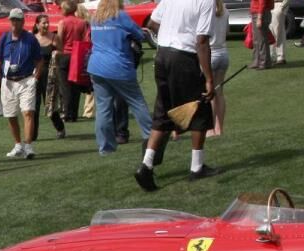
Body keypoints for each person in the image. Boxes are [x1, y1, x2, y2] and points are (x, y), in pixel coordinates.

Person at [134, 0, 216, 191]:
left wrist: (171, 32)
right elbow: (202, 41)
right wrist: (209, 79)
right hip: (184, 57)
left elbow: (152, 23)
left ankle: (146, 165)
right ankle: (197, 167)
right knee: (200, 107)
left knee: (163, 112)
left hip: (162, 55)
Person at [86, 0, 150, 156]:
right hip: (119, 66)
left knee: (103, 109)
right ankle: (151, 135)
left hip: (97, 67)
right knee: (137, 102)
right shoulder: (121, 16)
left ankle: (105, 147)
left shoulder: (95, 18)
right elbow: (140, 35)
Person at [0, 8, 42, 159]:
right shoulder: (4, 38)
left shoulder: (30, 39)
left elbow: (40, 60)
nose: (14, 23)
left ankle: (28, 145)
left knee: (28, 112)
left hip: (26, 79)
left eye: (17, 20)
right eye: (12, 20)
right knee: (10, 114)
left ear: (23, 22)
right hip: (8, 81)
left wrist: (36, 76)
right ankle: (18, 144)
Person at [53, 0, 88, 123]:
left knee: (65, 85)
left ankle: (67, 113)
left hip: (65, 55)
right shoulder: (82, 23)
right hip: (77, 56)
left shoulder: (62, 22)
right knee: (76, 85)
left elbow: (60, 38)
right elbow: (86, 39)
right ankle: (74, 113)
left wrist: (59, 50)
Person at [34, 14, 66, 138]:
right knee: (34, 106)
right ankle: (32, 134)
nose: (46, 25)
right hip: (36, 75)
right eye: (44, 23)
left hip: (50, 75)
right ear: (37, 25)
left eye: (47, 22)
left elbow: (62, 54)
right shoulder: (33, 39)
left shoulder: (54, 37)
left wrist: (58, 53)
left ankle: (60, 128)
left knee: (50, 106)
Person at [208, 0, 227, 135]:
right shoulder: (225, 9)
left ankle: (210, 129)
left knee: (210, 94)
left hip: (211, 53)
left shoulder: (206, 11)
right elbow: (228, 30)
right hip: (223, 53)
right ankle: (219, 128)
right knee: (219, 93)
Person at [250, 0, 272, 69]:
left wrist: (259, 17)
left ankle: (263, 62)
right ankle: (257, 61)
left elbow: (262, 2)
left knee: (261, 40)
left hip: (260, 14)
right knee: (257, 40)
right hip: (258, 13)